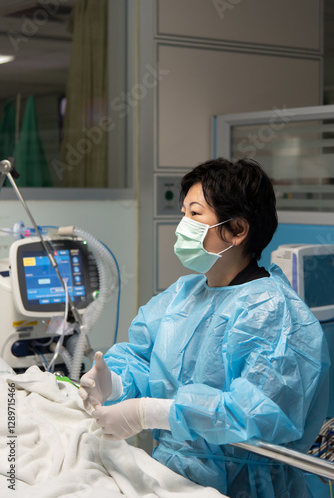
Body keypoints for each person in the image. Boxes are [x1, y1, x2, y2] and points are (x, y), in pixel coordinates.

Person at [79, 158, 330, 498]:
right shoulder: (182, 296)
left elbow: (255, 415)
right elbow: (141, 358)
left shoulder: (277, 316)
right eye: (183, 213)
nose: (182, 226)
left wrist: (148, 412)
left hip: (247, 486)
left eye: (195, 215)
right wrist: (114, 382)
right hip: (168, 477)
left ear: (238, 230)